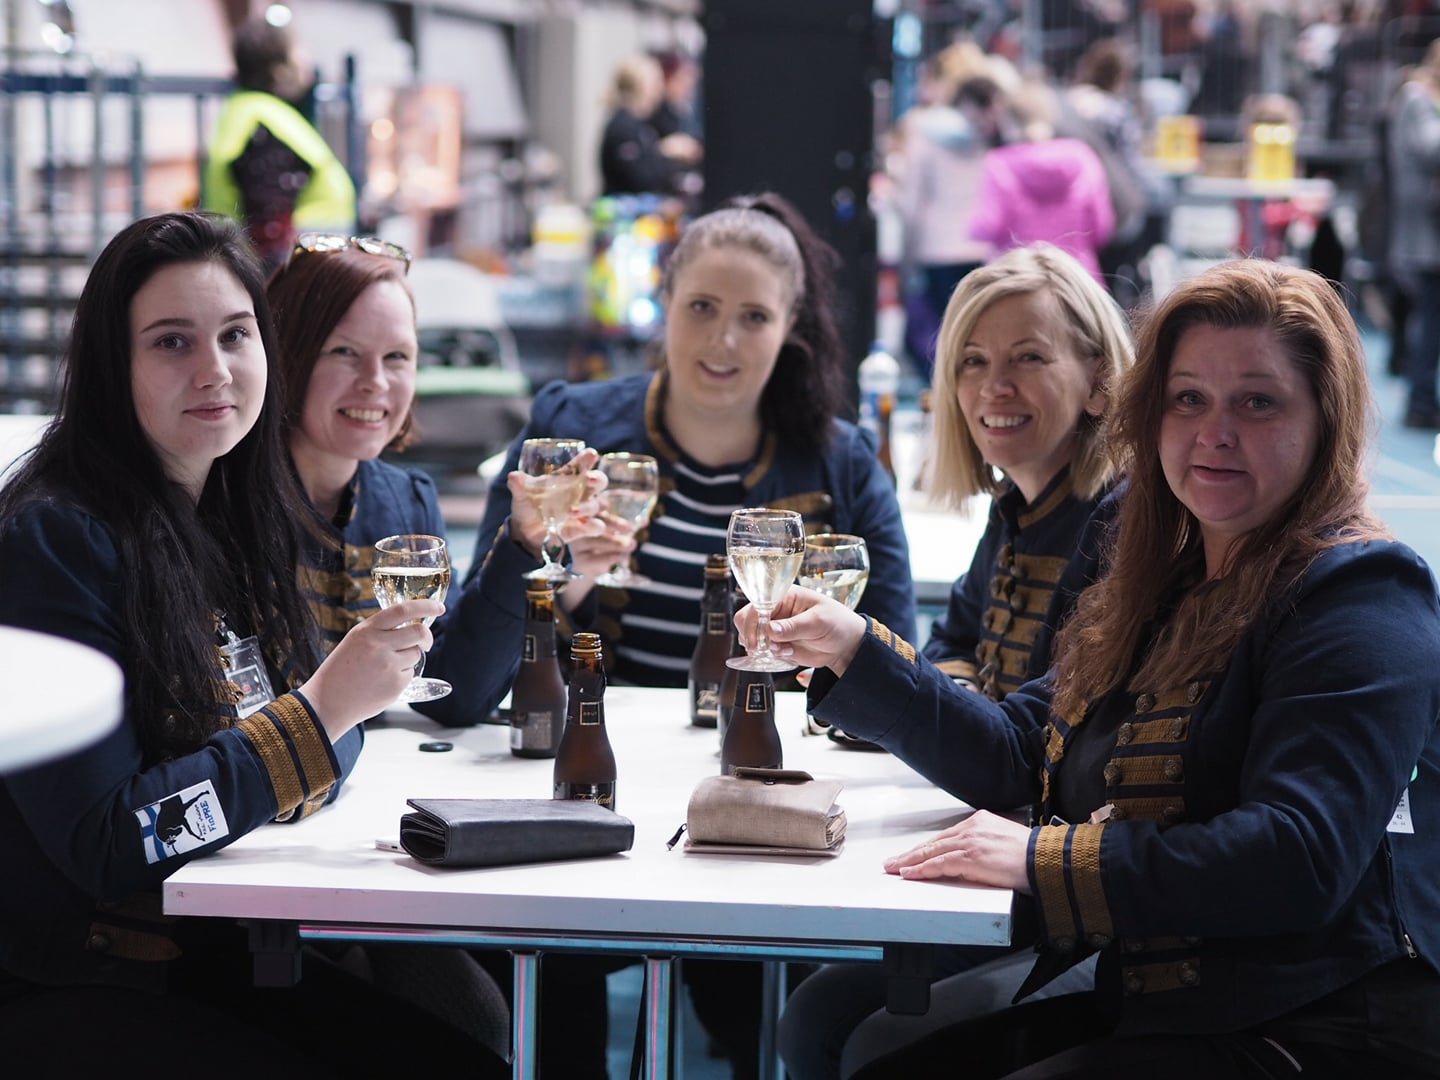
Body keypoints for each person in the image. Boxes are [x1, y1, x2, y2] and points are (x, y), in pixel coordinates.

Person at [742, 259, 1440, 1078]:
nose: (1215, 431)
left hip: (1320, 1026)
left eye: (1258, 402)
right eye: (1189, 399)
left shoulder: (1363, 593)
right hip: (1167, 997)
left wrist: (1043, 859)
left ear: (1325, 419)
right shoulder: (1164, 581)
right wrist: (853, 648)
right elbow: (1017, 748)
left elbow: (1298, 856)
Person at [0, 212, 507, 1077]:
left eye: (236, 335)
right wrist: (318, 716)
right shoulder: (57, 538)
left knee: (465, 1047)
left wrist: (312, 727)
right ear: (112, 365)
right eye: (172, 342)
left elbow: (313, 753)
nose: (216, 371)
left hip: (209, 944)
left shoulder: (232, 510)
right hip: (77, 974)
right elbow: (108, 843)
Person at [469, 191, 916, 1077]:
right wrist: (561, 578)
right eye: (702, 307)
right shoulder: (572, 430)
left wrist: (821, 654)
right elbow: (468, 666)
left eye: (754, 317)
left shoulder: (837, 460)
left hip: (754, 793)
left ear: (790, 330)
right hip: (588, 782)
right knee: (542, 986)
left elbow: (896, 668)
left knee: (755, 999)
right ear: (665, 302)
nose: (723, 340)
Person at [780, 242, 1134, 1080]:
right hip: (1009, 855)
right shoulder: (1018, 507)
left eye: (1028, 358)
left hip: (1081, 899)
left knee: (841, 1027)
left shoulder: (1121, 523)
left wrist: (860, 650)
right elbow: (955, 648)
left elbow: (1014, 757)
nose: (992, 387)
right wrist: (959, 696)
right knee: (814, 1003)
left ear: (1099, 382)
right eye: (972, 362)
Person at [265, 232, 605, 730]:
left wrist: (524, 542)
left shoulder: (405, 502)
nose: (375, 381)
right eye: (343, 351)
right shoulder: (221, 500)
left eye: (397, 357)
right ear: (286, 355)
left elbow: (453, 694)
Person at [203, 17, 357, 271]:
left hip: (304, 272)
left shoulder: (252, 113)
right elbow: (269, 233)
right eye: (299, 50)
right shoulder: (263, 124)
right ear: (279, 70)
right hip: (298, 278)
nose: (307, 59)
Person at [968, 76, 1115, 285]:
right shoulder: (1082, 156)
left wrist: (971, 228)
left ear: (1008, 121)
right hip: (1077, 278)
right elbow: (1102, 227)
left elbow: (988, 226)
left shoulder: (999, 163)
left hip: (1016, 280)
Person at [1386, 39, 1440, 429]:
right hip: (1427, 232)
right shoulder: (1417, 98)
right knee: (1430, 318)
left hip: (1429, 231)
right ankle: (1420, 402)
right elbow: (1431, 148)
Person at [598, 54, 700, 198]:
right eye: (655, 85)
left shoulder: (642, 125)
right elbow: (638, 179)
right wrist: (664, 151)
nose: (659, 91)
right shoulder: (623, 127)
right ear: (639, 87)